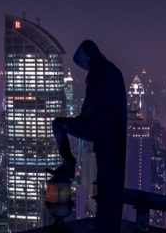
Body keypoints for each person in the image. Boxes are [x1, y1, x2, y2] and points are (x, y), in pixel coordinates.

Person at [51, 39, 127, 232]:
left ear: (86, 58)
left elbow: (90, 108)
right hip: (112, 135)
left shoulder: (97, 73)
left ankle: (69, 162)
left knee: (58, 124)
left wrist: (80, 121)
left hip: (99, 129)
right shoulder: (113, 71)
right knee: (108, 184)